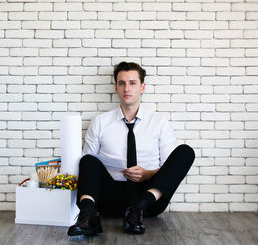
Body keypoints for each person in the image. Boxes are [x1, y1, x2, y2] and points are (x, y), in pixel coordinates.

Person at [67, 61, 195, 236]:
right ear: (116, 88)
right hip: (111, 197)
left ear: (142, 87)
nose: (127, 88)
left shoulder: (159, 122)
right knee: (87, 160)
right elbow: (88, 169)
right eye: (122, 83)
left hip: (148, 198)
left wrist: (147, 174)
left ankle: (136, 211)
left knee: (185, 152)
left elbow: (169, 168)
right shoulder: (100, 122)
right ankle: (88, 215)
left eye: (132, 83)